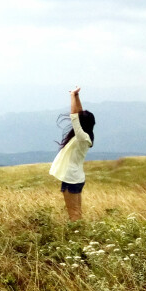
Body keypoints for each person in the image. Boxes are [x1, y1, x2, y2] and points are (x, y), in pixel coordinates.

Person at [49, 86, 95, 221]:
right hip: (76, 177)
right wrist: (76, 96)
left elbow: (74, 116)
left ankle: (77, 238)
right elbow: (79, 115)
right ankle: (80, 234)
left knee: (73, 212)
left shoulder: (81, 137)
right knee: (77, 211)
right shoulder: (86, 136)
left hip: (71, 178)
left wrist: (71, 97)